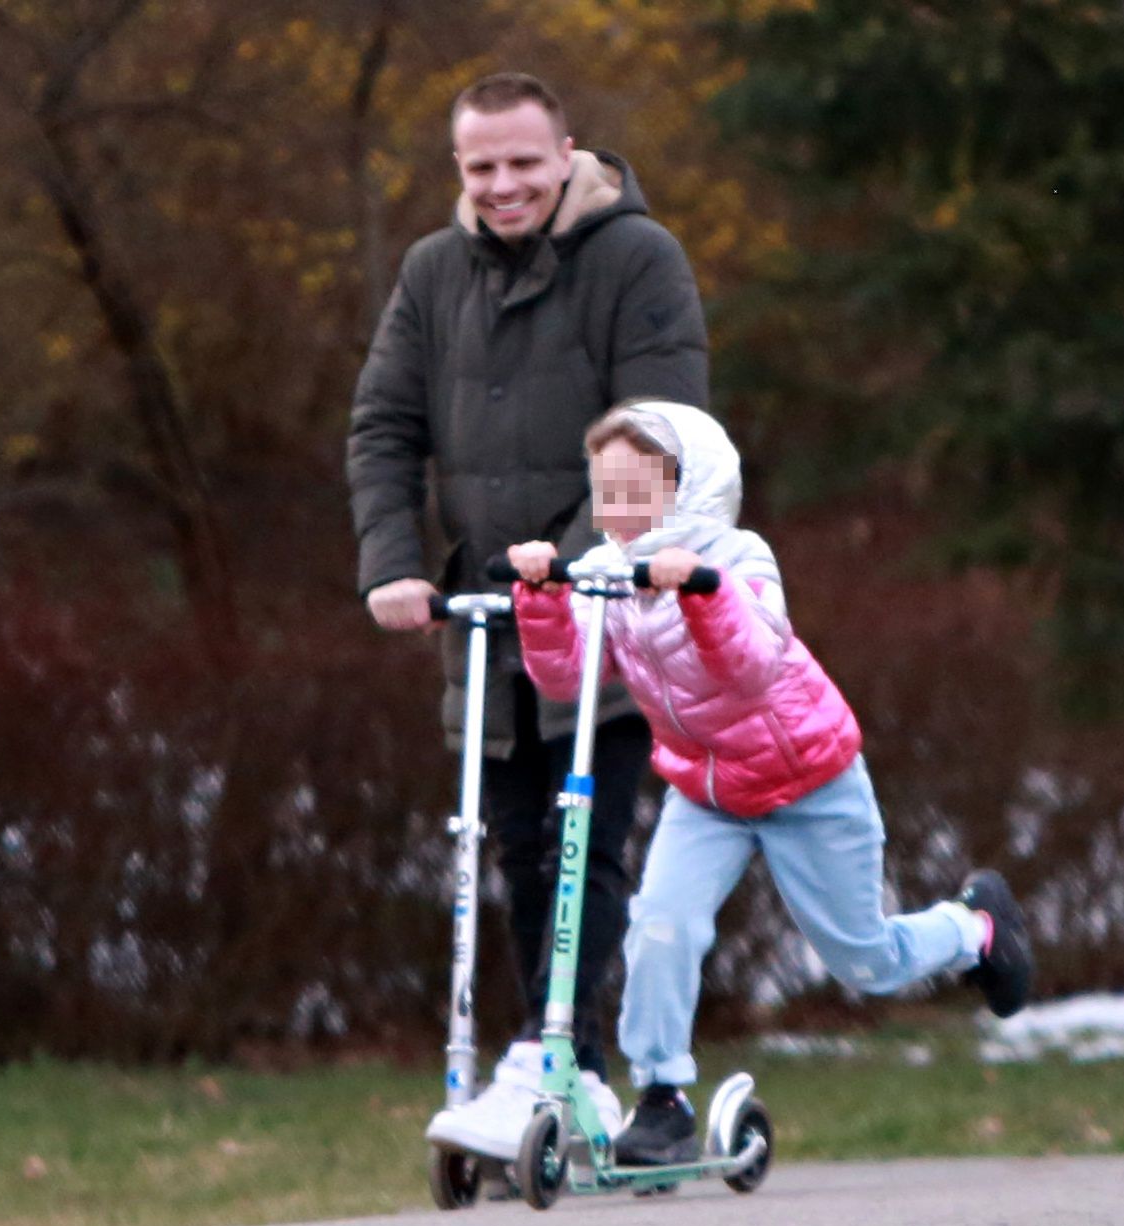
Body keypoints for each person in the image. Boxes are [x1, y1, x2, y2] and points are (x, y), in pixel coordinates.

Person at [506, 399, 1034, 1166]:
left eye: (630, 492)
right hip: (709, 795)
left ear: (685, 486)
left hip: (808, 783)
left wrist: (701, 593)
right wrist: (543, 597)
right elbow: (566, 677)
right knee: (660, 925)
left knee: (865, 961)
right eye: (602, 494)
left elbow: (751, 666)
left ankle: (974, 929)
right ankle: (662, 1099)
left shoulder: (741, 559)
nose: (611, 512)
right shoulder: (609, 576)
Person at [347, 72, 708, 1161]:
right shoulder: (431, 272)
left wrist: (581, 565)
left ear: (565, 155)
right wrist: (391, 563)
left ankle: (567, 1059)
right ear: (459, 168)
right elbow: (384, 425)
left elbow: (662, 433)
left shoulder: (638, 260)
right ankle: (555, 1065)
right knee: (513, 847)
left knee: (583, 840)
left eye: (521, 163)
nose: (502, 185)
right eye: (480, 167)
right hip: (487, 621)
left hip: (607, 612)